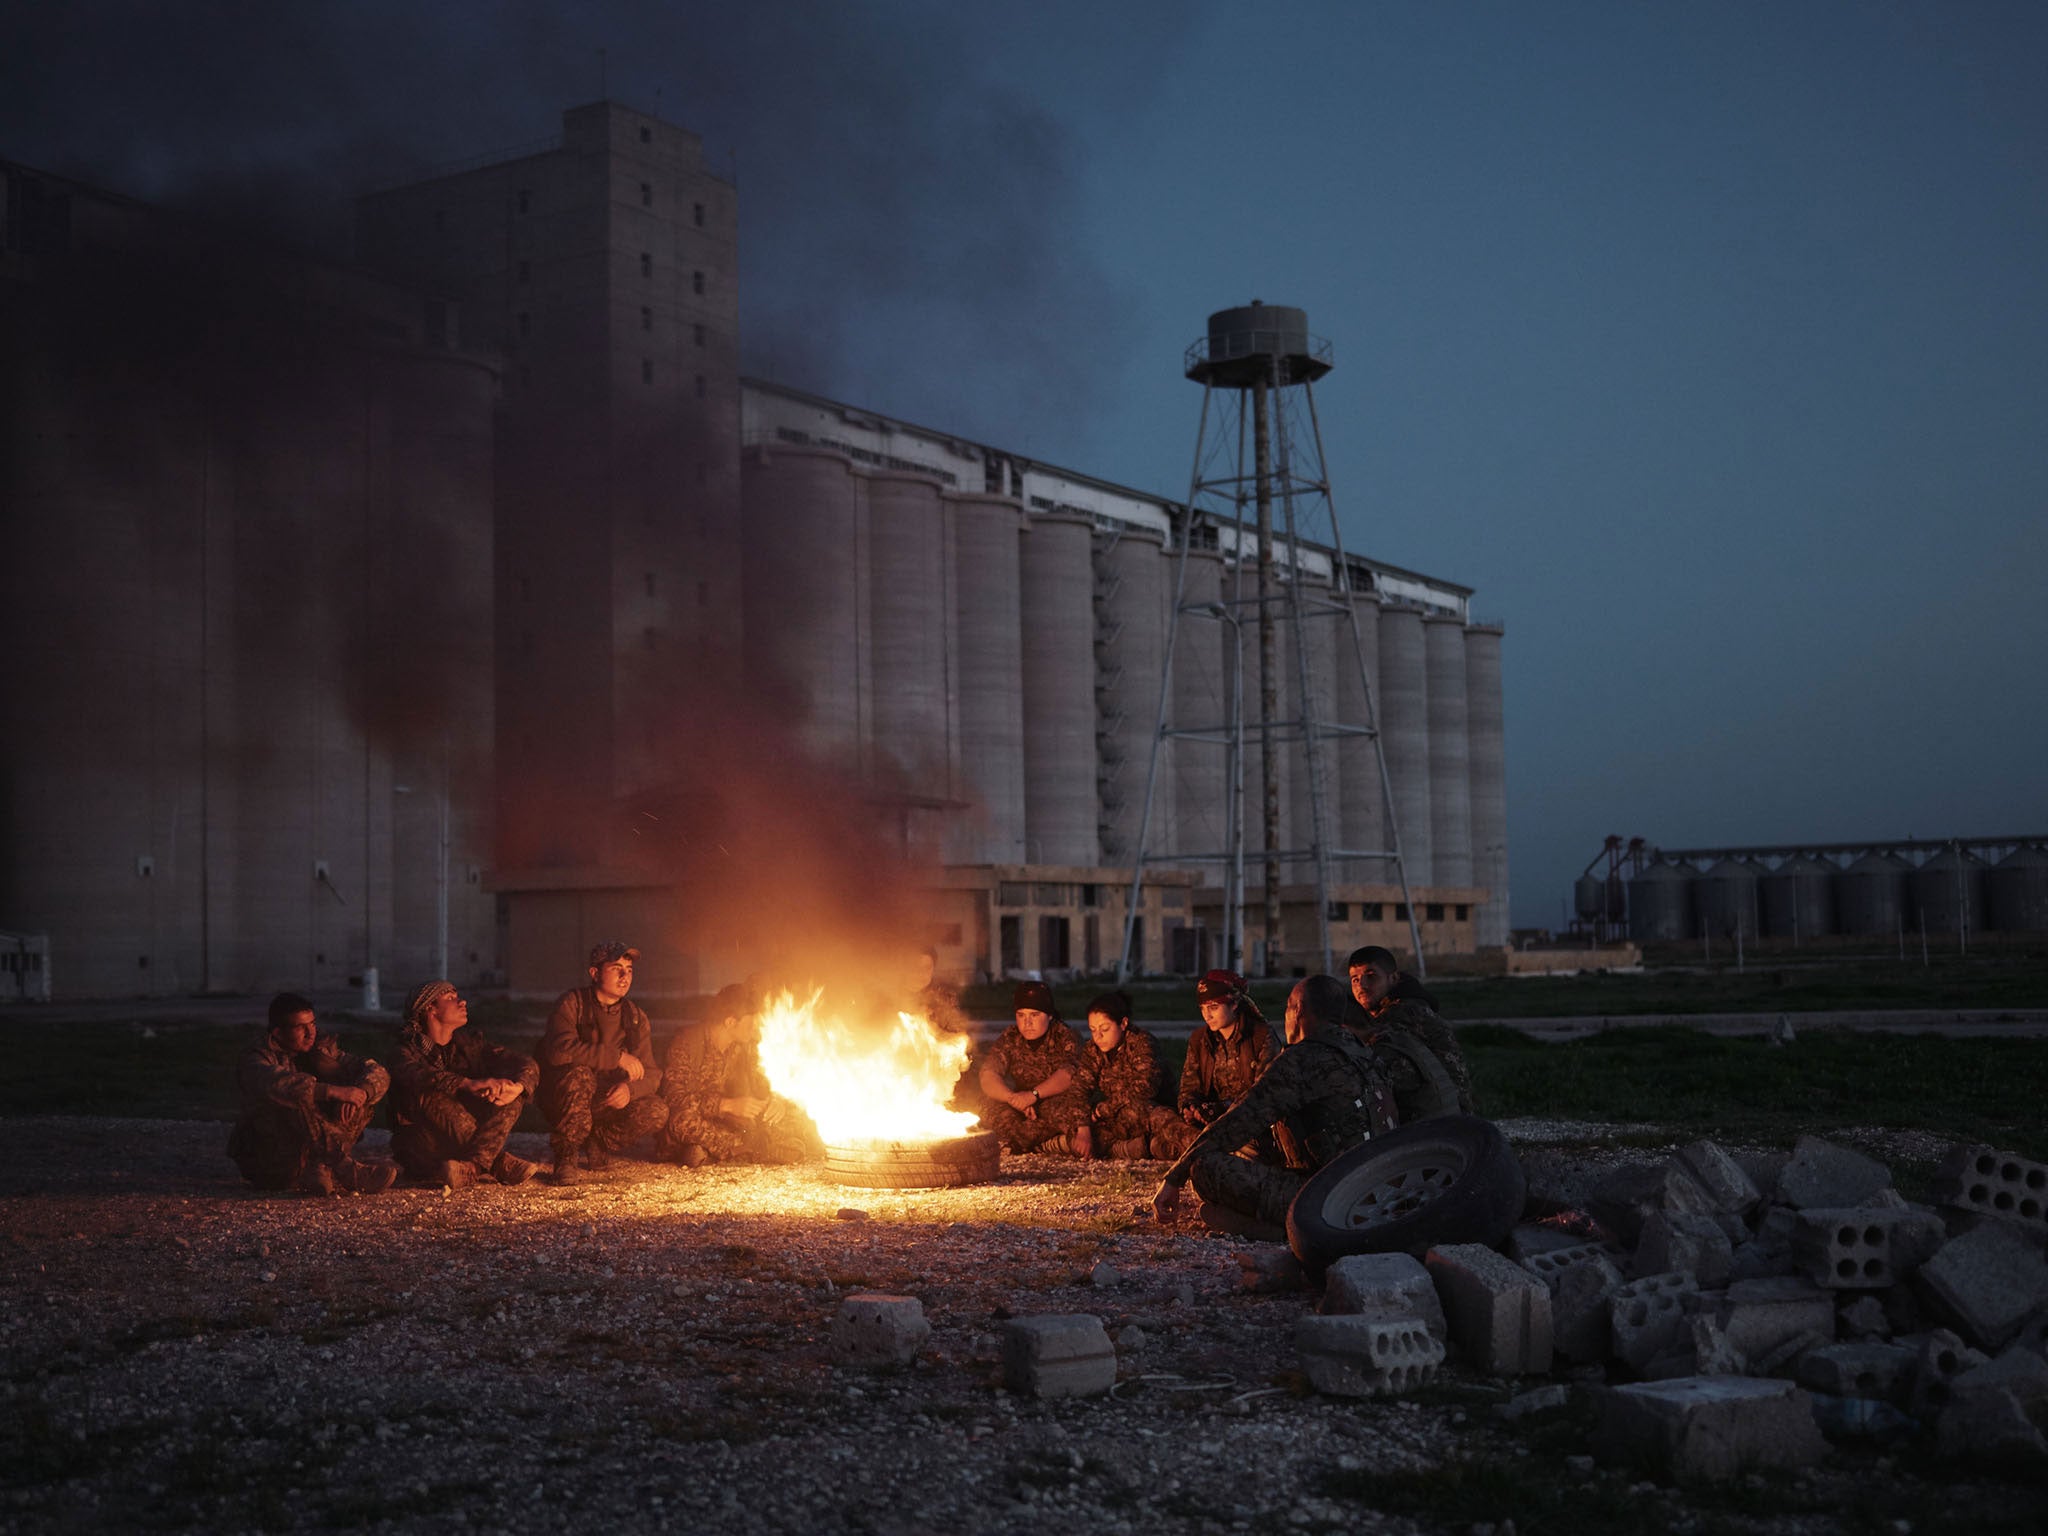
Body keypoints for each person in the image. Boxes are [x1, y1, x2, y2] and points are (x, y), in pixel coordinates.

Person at [1152, 975, 1395, 1237]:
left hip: (1329, 1196)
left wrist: (1174, 1177)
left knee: (1204, 1167)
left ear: (1297, 1010)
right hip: (1379, 1187)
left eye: (1287, 1009)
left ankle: (1285, 1229)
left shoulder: (1302, 1059)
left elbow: (1240, 1120)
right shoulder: (1363, 1051)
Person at [227, 992, 396, 1195]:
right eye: (301, 1027)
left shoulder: (321, 1051)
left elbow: (377, 1071)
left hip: (310, 1153)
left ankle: (319, 1167)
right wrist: (331, 1091)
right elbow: (277, 1083)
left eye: (313, 1024)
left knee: (359, 1097)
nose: (311, 1033)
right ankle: (345, 1169)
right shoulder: (256, 1058)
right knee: (295, 1099)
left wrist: (360, 1092)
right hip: (271, 1160)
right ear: (278, 1033)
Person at [535, 939, 670, 1183]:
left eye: (629, 971)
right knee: (579, 1076)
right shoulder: (572, 1004)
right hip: (564, 1097)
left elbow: (652, 1073)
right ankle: (566, 1156)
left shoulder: (635, 1017)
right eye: (615, 968)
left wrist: (630, 1089)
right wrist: (615, 1057)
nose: (624, 976)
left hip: (604, 1099)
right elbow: (559, 1050)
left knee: (656, 1110)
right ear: (595, 973)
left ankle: (598, 1140)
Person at [388, 980, 542, 1188]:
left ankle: (473, 1167)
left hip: (461, 1144)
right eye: (451, 998)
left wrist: (518, 1087)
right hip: (425, 1147)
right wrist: (466, 1084)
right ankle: (495, 1162)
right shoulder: (405, 1051)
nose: (462, 1002)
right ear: (429, 1009)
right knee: (431, 1093)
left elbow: (524, 1063)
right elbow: (417, 1075)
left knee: (508, 1094)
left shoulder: (469, 1045)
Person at [656, 984, 822, 1167]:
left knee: (786, 1115)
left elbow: (760, 1080)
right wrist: (725, 1105)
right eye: (751, 1024)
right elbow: (674, 1099)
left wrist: (775, 1100)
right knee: (682, 1121)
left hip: (726, 1122)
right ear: (730, 1022)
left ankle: (710, 1152)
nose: (755, 1029)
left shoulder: (743, 1046)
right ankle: (754, 1150)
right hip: (692, 1120)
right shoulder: (687, 1042)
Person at [1346, 945, 1476, 1120]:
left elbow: (1363, 1040)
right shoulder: (1399, 1006)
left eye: (1371, 976)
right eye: (1355, 979)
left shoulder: (1404, 1011)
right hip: (1446, 1110)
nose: (1361, 985)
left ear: (1393, 978)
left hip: (1446, 1117)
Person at [1174, 969, 1280, 1160]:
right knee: (1168, 1129)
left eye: (1214, 1007)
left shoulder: (1261, 1036)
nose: (1207, 1015)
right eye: (1203, 1008)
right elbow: (1189, 1086)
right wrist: (1190, 1108)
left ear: (1234, 1004)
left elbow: (1264, 1095)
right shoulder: (1200, 1039)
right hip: (1209, 1122)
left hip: (1248, 1120)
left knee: (1252, 1141)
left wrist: (1223, 1108)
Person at [977, 980, 1091, 1155]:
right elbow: (988, 1074)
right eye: (1021, 1015)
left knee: (1064, 1113)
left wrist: (1033, 1095)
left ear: (1049, 1016)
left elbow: (1068, 1074)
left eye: (1035, 1015)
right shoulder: (1011, 1036)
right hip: (1022, 1105)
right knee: (987, 1108)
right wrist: (1012, 1099)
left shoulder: (1065, 1036)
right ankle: (1043, 1143)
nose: (1027, 1023)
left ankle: (1024, 1143)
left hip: (1053, 1100)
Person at [1073, 990, 1179, 1159]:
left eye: (1105, 1029)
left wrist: (1105, 1108)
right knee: (1080, 1129)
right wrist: (1083, 1129)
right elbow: (1079, 1088)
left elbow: (1145, 1087)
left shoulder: (1141, 1042)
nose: (1098, 1036)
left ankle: (1186, 1145)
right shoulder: (1093, 1050)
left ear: (1123, 1023)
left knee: (1150, 1116)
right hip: (1118, 1116)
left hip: (1150, 1110)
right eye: (1093, 1030)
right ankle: (1136, 1148)